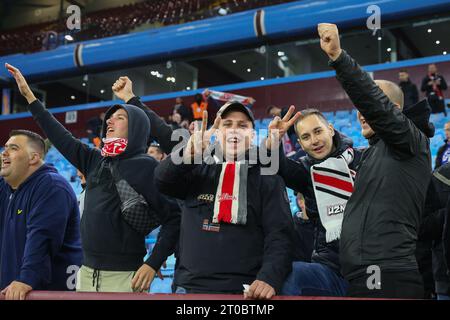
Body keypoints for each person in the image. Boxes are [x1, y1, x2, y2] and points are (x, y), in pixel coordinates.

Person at [6, 63, 180, 293]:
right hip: (85, 275)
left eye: (119, 117)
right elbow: (60, 136)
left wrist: (153, 262)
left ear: (136, 127)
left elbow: (173, 218)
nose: (109, 121)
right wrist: (29, 97)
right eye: (109, 118)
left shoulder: (146, 165)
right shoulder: (94, 159)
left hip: (126, 278)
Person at [318, 23, 433, 298]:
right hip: (359, 276)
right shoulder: (369, 154)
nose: (360, 113)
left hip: (390, 275)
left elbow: (373, 104)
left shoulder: (411, 141)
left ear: (394, 111)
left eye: (365, 107)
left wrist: (338, 57)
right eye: (357, 109)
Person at [154, 103, 295, 299]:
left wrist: (269, 278)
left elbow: (280, 235)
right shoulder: (194, 168)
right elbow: (162, 181)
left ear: (253, 135)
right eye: (227, 124)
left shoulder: (268, 177)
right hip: (189, 288)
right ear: (217, 133)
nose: (234, 130)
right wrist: (187, 155)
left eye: (242, 125)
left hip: (247, 291)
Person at [265, 108, 363, 297]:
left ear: (331, 129)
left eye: (318, 131)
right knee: (292, 274)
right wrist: (274, 141)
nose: (315, 141)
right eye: (306, 137)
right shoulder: (305, 171)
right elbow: (277, 166)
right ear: (300, 143)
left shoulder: (363, 160)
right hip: (330, 268)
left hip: (369, 266)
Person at [0, 130, 82, 300]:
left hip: (49, 291)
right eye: (5, 147)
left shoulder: (51, 186)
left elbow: (43, 237)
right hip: (13, 289)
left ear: (34, 158)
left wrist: (26, 278)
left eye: (13, 148)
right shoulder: (7, 187)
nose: (4, 152)